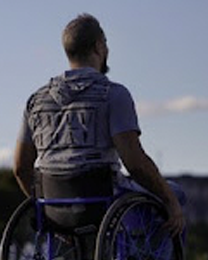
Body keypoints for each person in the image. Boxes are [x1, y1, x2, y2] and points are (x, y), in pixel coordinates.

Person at [13, 13, 185, 237]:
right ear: (99, 46)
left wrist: (44, 203)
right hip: (103, 198)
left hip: (54, 203)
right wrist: (170, 201)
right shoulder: (113, 95)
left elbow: (20, 167)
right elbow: (135, 164)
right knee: (175, 193)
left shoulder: (36, 101)